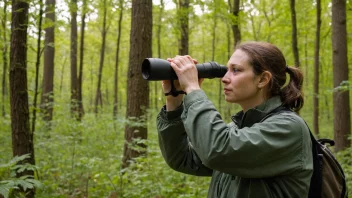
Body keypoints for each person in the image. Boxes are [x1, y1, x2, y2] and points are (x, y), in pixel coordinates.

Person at [156, 41, 313, 198]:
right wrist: (174, 98)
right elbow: (182, 159)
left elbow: (217, 150)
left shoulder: (288, 128)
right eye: (226, 70)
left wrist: (192, 88)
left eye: (236, 70)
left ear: (263, 79)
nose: (224, 78)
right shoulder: (236, 129)